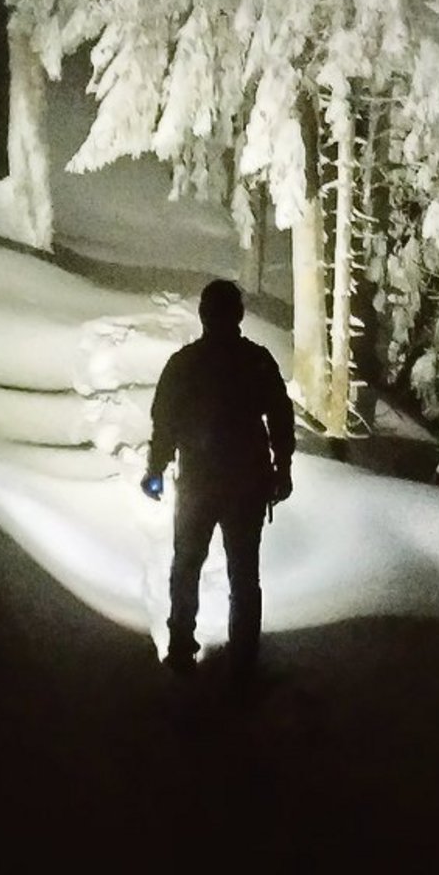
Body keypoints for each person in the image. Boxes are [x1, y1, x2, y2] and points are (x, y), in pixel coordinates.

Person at [141, 279, 294, 679]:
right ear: (238, 315)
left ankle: (181, 647)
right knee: (244, 575)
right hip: (247, 484)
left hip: (199, 483)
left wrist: (155, 469)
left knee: (187, 565)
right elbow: (281, 417)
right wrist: (282, 468)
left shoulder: (184, 363)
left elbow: (164, 423)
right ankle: (243, 658)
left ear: (203, 315)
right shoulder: (256, 360)